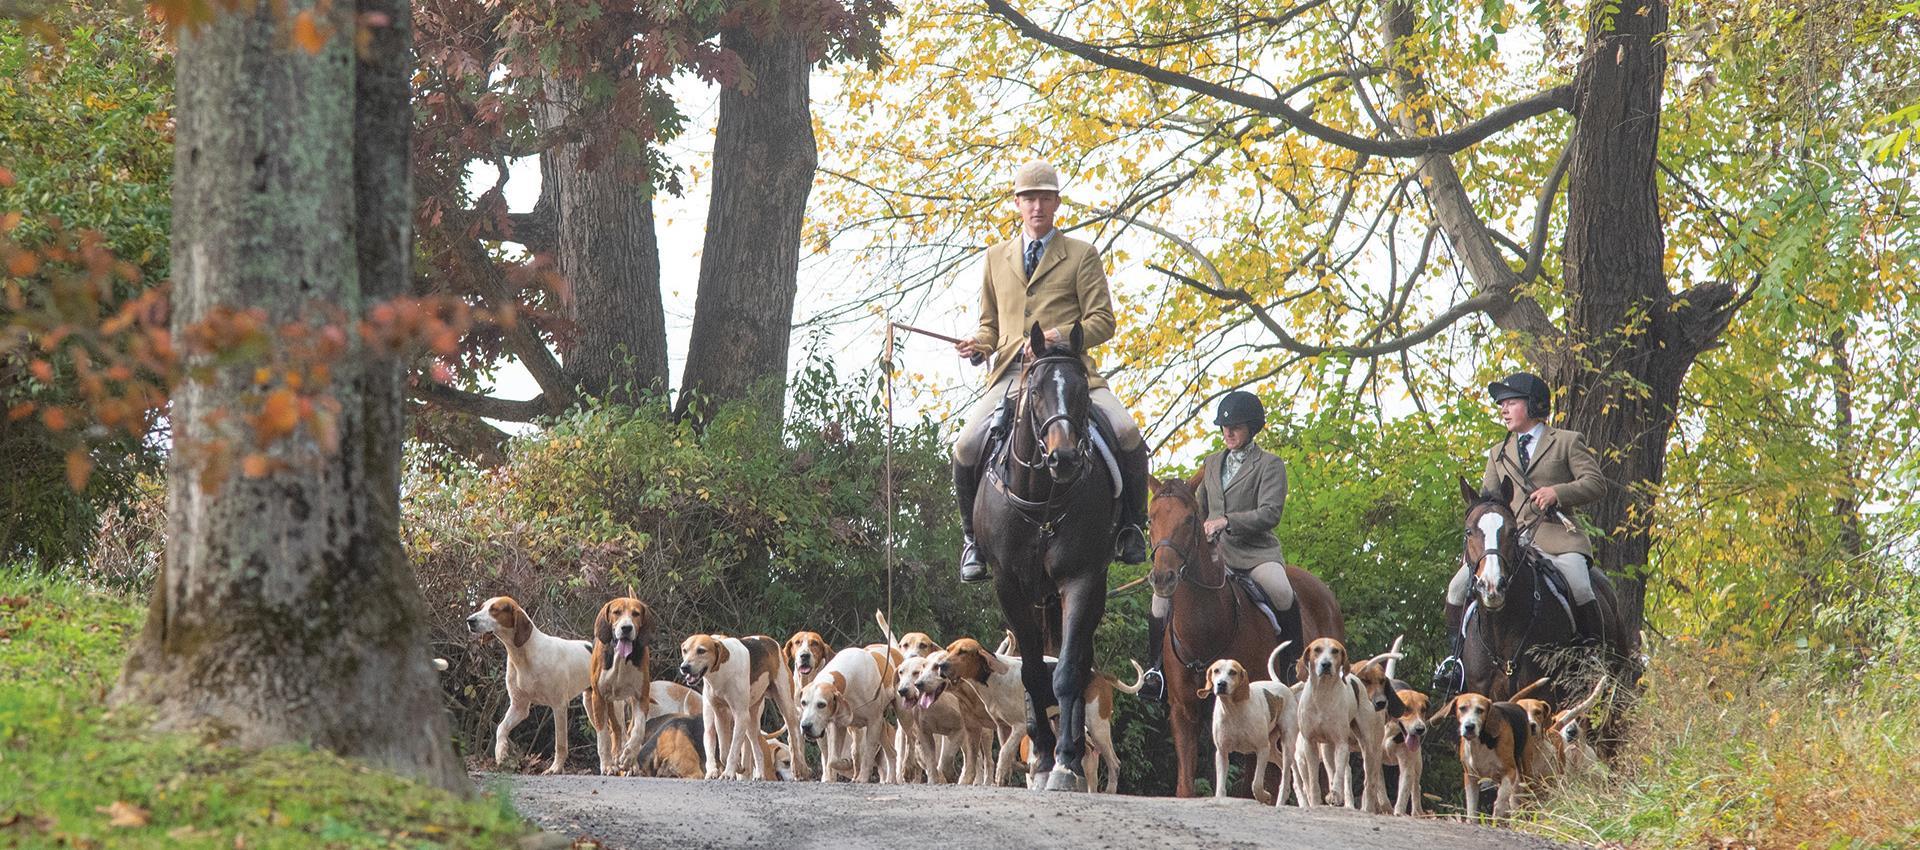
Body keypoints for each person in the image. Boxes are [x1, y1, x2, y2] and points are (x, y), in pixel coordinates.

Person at [949, 160, 1150, 583]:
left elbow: (1103, 321)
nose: (1036, 206)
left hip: (1067, 374)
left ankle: (1133, 527)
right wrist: (978, 345)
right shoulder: (994, 258)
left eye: (1044, 198)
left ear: (1057, 203)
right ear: (1017, 204)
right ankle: (972, 540)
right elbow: (990, 326)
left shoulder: (1081, 254)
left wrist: (1059, 335)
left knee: (1128, 432)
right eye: (1029, 199)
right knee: (965, 446)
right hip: (1012, 374)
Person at [1440, 372, 1609, 674]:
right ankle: (1455, 662)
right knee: (1456, 588)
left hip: (1557, 539)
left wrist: (1557, 493)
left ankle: (1592, 658)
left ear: (1533, 405)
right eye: (1502, 404)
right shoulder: (1498, 453)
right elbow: (1489, 501)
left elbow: (1596, 483)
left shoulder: (1566, 442)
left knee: (1581, 586)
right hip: (1509, 541)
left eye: (1511, 403)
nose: (1503, 409)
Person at [1137, 391, 1300, 702]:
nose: (1228, 432)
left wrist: (1227, 521)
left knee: (1281, 590)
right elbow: (1199, 511)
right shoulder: (1211, 463)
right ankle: (1155, 671)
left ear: (1252, 428)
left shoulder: (1270, 465)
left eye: (1235, 427)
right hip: (1213, 554)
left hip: (1254, 553)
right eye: (1224, 428)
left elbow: (1270, 513)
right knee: (1160, 601)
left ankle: (1293, 664)